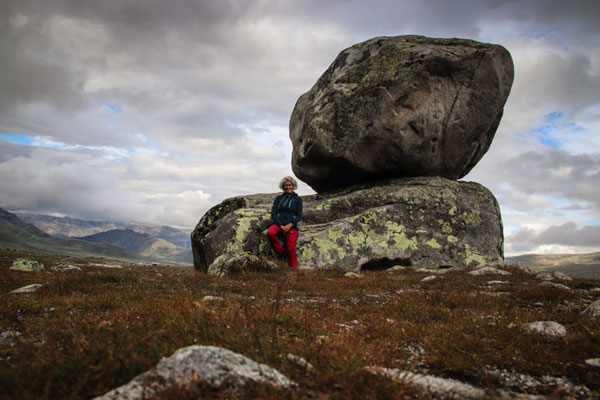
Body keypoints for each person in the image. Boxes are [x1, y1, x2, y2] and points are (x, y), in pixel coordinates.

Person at [267, 176, 303, 269]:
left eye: (290, 185)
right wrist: (281, 226)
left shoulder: (298, 200)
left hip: (291, 226)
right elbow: (274, 213)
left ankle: (293, 269)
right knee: (270, 233)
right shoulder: (278, 198)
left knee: (290, 249)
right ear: (283, 187)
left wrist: (289, 226)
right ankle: (281, 253)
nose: (288, 187)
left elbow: (299, 216)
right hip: (279, 224)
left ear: (293, 186)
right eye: (285, 185)